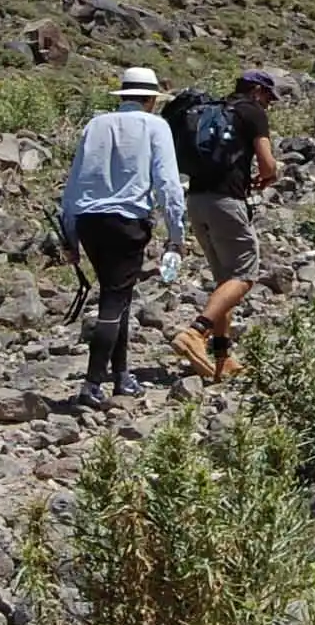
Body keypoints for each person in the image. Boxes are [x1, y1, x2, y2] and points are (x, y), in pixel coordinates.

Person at [58, 66, 185, 412]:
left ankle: (121, 373)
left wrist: (69, 236)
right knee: (114, 301)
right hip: (127, 222)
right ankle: (92, 382)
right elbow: (169, 185)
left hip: (88, 222)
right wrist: (177, 235)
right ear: (151, 100)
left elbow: (74, 184)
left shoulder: (95, 125)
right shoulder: (156, 126)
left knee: (117, 293)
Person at [173, 71, 279, 381]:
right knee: (244, 276)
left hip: (197, 201)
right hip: (226, 202)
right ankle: (196, 332)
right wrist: (269, 175)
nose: (268, 105)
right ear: (257, 90)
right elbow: (268, 164)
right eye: (268, 98)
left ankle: (222, 358)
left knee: (225, 282)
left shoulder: (214, 109)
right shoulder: (252, 112)